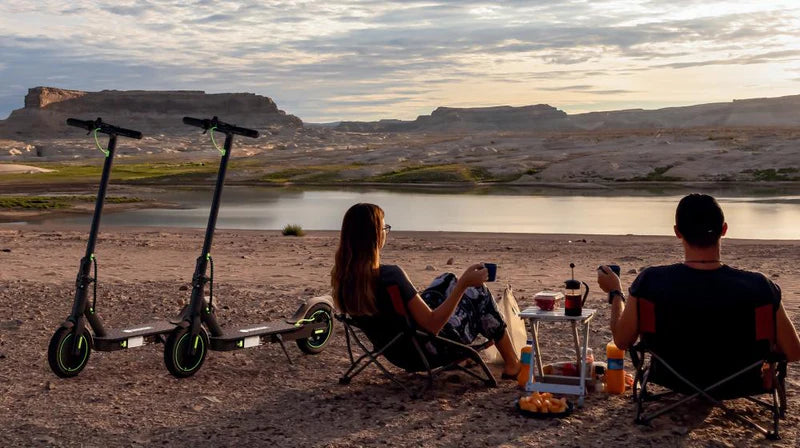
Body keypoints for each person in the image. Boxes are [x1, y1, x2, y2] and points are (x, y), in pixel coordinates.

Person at [597, 193, 800, 361]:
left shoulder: (651, 281)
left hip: (673, 378)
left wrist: (616, 293)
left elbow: (622, 342)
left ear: (677, 232)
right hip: (741, 381)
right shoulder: (759, 286)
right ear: (724, 230)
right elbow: (793, 351)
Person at [331, 203, 521, 378]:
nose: (386, 232)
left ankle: (471, 356)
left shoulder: (344, 278)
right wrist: (463, 284)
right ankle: (513, 363)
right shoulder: (391, 276)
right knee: (478, 293)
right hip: (428, 350)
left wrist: (456, 283)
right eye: (384, 228)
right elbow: (432, 326)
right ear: (375, 235)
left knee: (447, 279)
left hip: (396, 351)